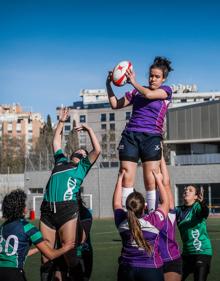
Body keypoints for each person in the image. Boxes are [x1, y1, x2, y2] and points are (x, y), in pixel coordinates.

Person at [40, 107, 101, 281]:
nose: (83, 154)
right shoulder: (61, 162)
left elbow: (96, 151)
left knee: (70, 256)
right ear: (72, 154)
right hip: (47, 210)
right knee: (45, 257)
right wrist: (61, 122)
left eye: (84, 154)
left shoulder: (82, 168)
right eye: (80, 152)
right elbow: (56, 142)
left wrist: (89, 130)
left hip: (67, 209)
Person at [106, 56, 173, 212]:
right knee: (125, 175)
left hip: (152, 138)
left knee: (151, 180)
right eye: (151, 75)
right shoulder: (136, 92)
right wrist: (108, 84)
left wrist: (133, 82)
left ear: (163, 79)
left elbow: (149, 95)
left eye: (157, 76)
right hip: (130, 136)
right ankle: (128, 219)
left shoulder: (167, 91)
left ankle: (152, 218)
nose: (153, 79)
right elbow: (115, 104)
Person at [0, 189, 73, 281]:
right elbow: (50, 255)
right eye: (24, 204)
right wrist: (67, 247)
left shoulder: (2, 227)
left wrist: (38, 248)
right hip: (14, 275)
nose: (27, 206)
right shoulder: (27, 227)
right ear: (21, 207)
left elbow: (16, 252)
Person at [113, 169, 169, 281]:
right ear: (145, 207)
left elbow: (116, 203)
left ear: (127, 207)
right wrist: (158, 180)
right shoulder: (154, 220)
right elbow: (165, 202)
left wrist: (119, 179)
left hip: (126, 269)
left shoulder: (121, 221)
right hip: (151, 269)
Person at [176, 185, 212, 281]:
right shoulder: (178, 210)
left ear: (196, 196)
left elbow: (205, 212)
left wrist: (202, 203)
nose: (186, 191)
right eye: (185, 190)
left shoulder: (197, 207)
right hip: (187, 254)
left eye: (190, 190)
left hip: (202, 252)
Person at [158, 154, 182, 281]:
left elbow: (166, 183)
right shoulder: (151, 213)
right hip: (153, 261)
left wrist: (160, 155)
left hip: (171, 259)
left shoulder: (170, 212)